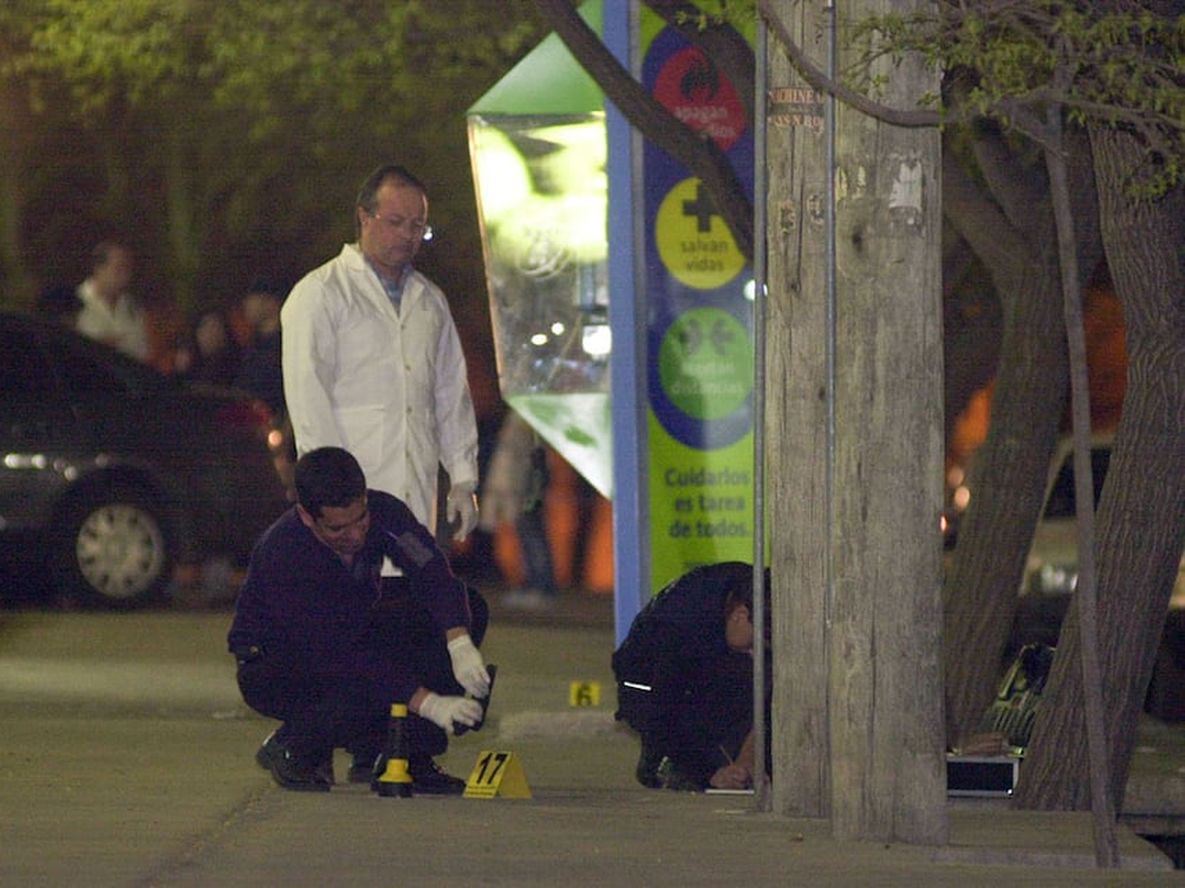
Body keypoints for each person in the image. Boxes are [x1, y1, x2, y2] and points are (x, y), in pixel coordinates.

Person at [227, 446, 491, 794]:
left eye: (361, 519)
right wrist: (428, 702)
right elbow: (338, 656)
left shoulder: (383, 513)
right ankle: (296, 744)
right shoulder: (284, 554)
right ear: (307, 517)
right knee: (361, 684)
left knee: (462, 607)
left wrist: (457, 642)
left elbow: (430, 571)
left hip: (349, 632)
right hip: (276, 664)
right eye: (338, 529)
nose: (355, 535)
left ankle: (407, 755)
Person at [281, 164, 479, 545]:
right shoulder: (321, 293)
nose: (407, 235)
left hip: (415, 495)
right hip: (348, 503)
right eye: (396, 221)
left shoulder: (430, 302)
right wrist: (329, 492)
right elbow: (308, 396)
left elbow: (451, 393)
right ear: (363, 218)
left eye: (418, 225)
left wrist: (463, 476)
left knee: (405, 598)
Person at [612, 561, 770, 792]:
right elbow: (656, 709)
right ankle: (665, 763)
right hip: (648, 683)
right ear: (739, 615)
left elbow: (769, 698)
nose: (754, 653)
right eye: (754, 644)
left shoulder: (756, 598)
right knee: (679, 743)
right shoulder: (678, 628)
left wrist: (750, 761)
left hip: (706, 661)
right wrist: (709, 774)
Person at [479, 410, 557, 609]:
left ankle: (540, 587)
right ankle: (535, 585)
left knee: (532, 536)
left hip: (525, 486)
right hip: (523, 486)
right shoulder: (521, 415)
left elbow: (519, 457)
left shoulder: (525, 414)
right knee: (529, 536)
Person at [75, 241, 150, 362]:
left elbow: (142, 351)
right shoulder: (74, 303)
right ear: (99, 268)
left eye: (128, 268)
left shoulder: (132, 306)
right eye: (119, 268)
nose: (125, 275)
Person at [234, 277, 286, 416]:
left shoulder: (285, 347)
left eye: (252, 299)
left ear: (270, 303)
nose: (246, 305)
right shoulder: (252, 346)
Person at [174, 310, 241, 387]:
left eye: (217, 327)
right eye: (206, 327)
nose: (211, 333)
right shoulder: (188, 358)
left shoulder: (232, 363)